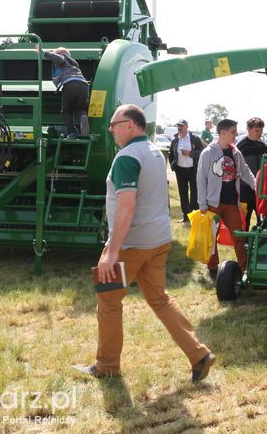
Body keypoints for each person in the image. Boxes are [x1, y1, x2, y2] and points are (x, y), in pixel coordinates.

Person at [74, 104, 215, 382]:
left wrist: (111, 252)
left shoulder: (127, 157)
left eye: (114, 124)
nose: (111, 129)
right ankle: (199, 354)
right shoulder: (154, 151)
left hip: (130, 243)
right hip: (158, 240)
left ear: (130, 124)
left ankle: (106, 366)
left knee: (108, 301)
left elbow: (126, 207)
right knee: (160, 299)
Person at [196, 118, 256, 279]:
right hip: (212, 203)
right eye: (233, 132)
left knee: (239, 236)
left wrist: (257, 186)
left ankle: (244, 269)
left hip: (231, 204)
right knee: (211, 237)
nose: (235, 136)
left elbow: (245, 172)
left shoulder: (236, 152)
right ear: (223, 133)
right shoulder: (208, 153)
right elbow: (201, 179)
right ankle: (213, 268)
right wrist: (202, 203)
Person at [36, 45, 90, 139]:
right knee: (80, 109)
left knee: (66, 111)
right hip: (84, 85)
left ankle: (71, 133)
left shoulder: (63, 58)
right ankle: (83, 117)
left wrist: (44, 53)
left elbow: (59, 58)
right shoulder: (74, 63)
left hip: (70, 84)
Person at [168, 119, 204, 224]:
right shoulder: (175, 140)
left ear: (187, 127)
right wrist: (172, 165)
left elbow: (202, 152)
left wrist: (190, 153)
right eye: (178, 126)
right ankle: (185, 216)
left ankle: (194, 216)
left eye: (182, 126)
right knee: (183, 194)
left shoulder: (194, 139)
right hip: (180, 170)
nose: (179, 127)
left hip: (193, 170)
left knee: (194, 194)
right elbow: (171, 153)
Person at [236, 117, 267, 229]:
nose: (259, 133)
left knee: (263, 220)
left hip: (260, 190)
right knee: (244, 220)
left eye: (261, 131)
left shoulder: (263, 147)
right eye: (256, 130)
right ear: (248, 129)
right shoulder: (241, 146)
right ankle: (243, 244)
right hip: (245, 189)